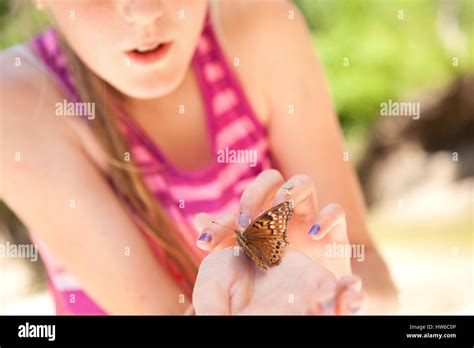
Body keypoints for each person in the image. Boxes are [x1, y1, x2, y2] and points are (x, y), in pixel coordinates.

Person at [0, 0, 397, 314]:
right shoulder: (17, 101)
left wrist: (333, 294)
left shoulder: (264, 26)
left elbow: (375, 282)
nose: (144, 11)